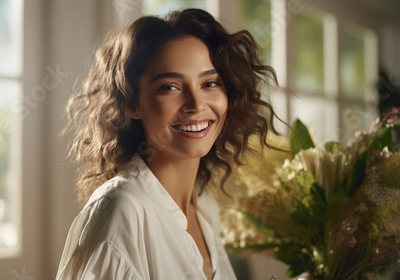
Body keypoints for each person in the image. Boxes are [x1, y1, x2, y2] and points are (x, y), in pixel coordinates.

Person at [55, 8, 279, 280]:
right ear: (132, 103)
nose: (196, 105)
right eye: (170, 87)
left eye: (209, 83)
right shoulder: (121, 212)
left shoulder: (206, 208)